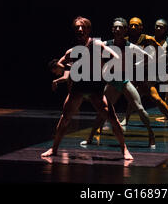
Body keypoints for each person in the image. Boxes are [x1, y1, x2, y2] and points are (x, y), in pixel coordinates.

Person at [41, 16, 133, 160]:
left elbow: (116, 56)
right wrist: (59, 73)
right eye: (77, 27)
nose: (79, 29)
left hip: (95, 89)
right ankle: (54, 149)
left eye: (82, 27)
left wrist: (105, 69)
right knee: (64, 119)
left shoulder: (96, 45)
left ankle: (124, 149)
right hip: (78, 89)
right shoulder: (72, 52)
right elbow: (61, 69)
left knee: (113, 119)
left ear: (88, 29)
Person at [82, 17, 156, 148]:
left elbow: (149, 58)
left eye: (120, 28)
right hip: (111, 82)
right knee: (102, 111)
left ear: (125, 30)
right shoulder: (107, 44)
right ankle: (90, 138)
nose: (117, 30)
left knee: (140, 109)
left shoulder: (130, 46)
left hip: (124, 80)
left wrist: (135, 65)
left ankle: (151, 135)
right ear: (112, 29)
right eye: (115, 27)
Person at [123, 17, 168, 137]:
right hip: (132, 75)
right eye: (131, 25)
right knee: (127, 97)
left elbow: (161, 53)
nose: (133, 27)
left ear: (141, 27)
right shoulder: (125, 40)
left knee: (157, 99)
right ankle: (122, 120)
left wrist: (149, 63)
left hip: (144, 76)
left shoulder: (146, 39)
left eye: (136, 25)